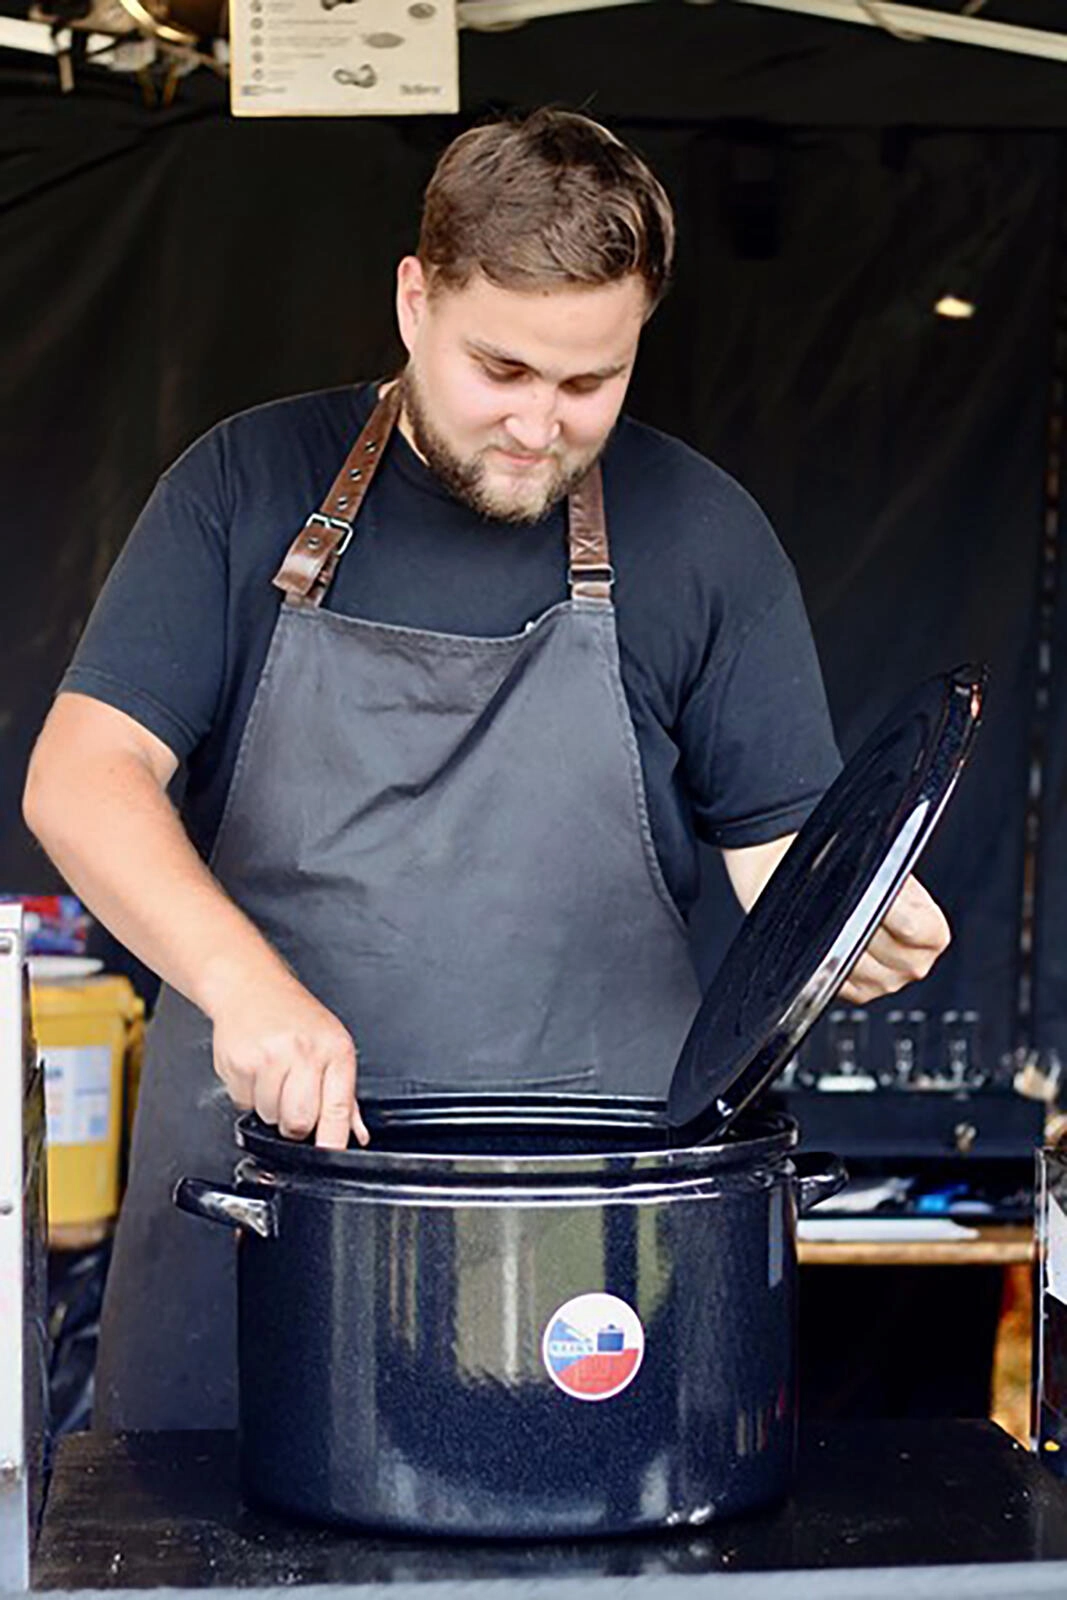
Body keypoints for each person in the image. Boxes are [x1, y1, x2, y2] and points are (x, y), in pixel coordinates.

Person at [23, 108, 949, 1431]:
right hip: (266, 1193)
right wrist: (245, 988)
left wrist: (852, 922)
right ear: (416, 301)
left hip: (579, 1236)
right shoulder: (243, 485)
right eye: (500, 368)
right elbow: (81, 773)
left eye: (589, 383)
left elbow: (779, 862)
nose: (537, 424)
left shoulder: (702, 533)